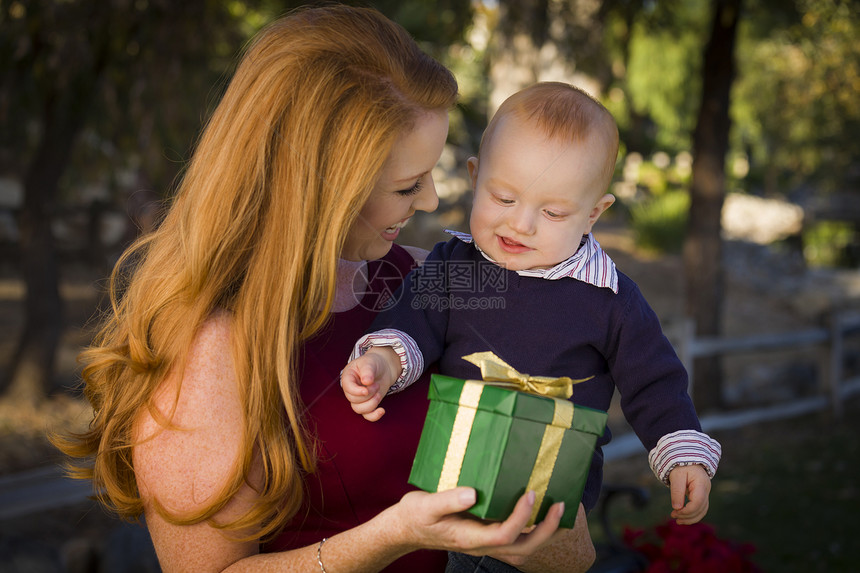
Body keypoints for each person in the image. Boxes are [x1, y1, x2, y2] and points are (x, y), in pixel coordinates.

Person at [53, 6, 599, 573]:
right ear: (320, 187)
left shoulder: (433, 283)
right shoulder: (207, 349)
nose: (433, 202)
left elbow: (572, 550)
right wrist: (393, 535)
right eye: (409, 184)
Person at [341, 83, 722, 570]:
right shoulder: (459, 267)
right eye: (503, 198)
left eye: (553, 212)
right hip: (452, 479)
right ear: (476, 178)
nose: (520, 225)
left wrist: (682, 453)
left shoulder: (609, 299)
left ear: (593, 214)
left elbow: (655, 383)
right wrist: (382, 361)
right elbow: (412, 321)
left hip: (549, 500)